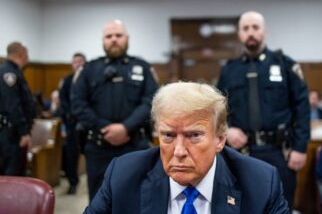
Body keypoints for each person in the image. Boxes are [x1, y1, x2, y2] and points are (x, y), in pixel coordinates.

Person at [83, 82, 289, 214]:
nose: (179, 151)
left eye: (194, 136)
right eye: (168, 136)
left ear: (220, 140)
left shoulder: (261, 183)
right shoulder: (123, 174)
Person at [217, 11, 310, 208]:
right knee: (243, 206)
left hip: (279, 151)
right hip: (241, 151)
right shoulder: (229, 70)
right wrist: (227, 129)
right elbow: (217, 108)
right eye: (246, 28)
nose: (251, 32)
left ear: (264, 32)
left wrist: (300, 148)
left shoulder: (285, 64)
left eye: (255, 27)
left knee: (281, 206)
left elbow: (302, 106)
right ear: (239, 34)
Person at [71, 20, 158, 200]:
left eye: (118, 35)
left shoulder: (141, 67)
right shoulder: (89, 69)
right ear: (103, 40)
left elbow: (152, 100)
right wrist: (106, 128)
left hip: (134, 145)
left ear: (127, 38)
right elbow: (78, 103)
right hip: (98, 147)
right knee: (99, 200)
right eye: (109, 36)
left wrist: (125, 127)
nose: (114, 40)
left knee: (136, 199)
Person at [0, 41, 36, 175]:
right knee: (12, 174)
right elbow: (12, 105)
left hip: (11, 131)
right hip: (12, 134)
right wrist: (23, 132)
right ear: (21, 54)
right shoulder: (10, 74)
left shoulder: (11, 71)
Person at [59, 52, 86, 194]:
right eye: (75, 62)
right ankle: (73, 182)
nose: (78, 64)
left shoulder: (91, 80)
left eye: (81, 61)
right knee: (71, 155)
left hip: (87, 124)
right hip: (71, 124)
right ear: (72, 64)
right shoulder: (67, 81)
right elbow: (62, 101)